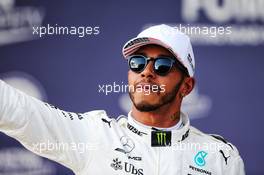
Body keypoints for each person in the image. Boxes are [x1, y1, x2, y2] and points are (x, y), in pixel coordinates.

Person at [0, 24, 245, 175]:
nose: (146, 72)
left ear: (186, 86)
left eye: (162, 65)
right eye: (137, 63)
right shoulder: (95, 136)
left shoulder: (220, 157)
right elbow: (19, 112)